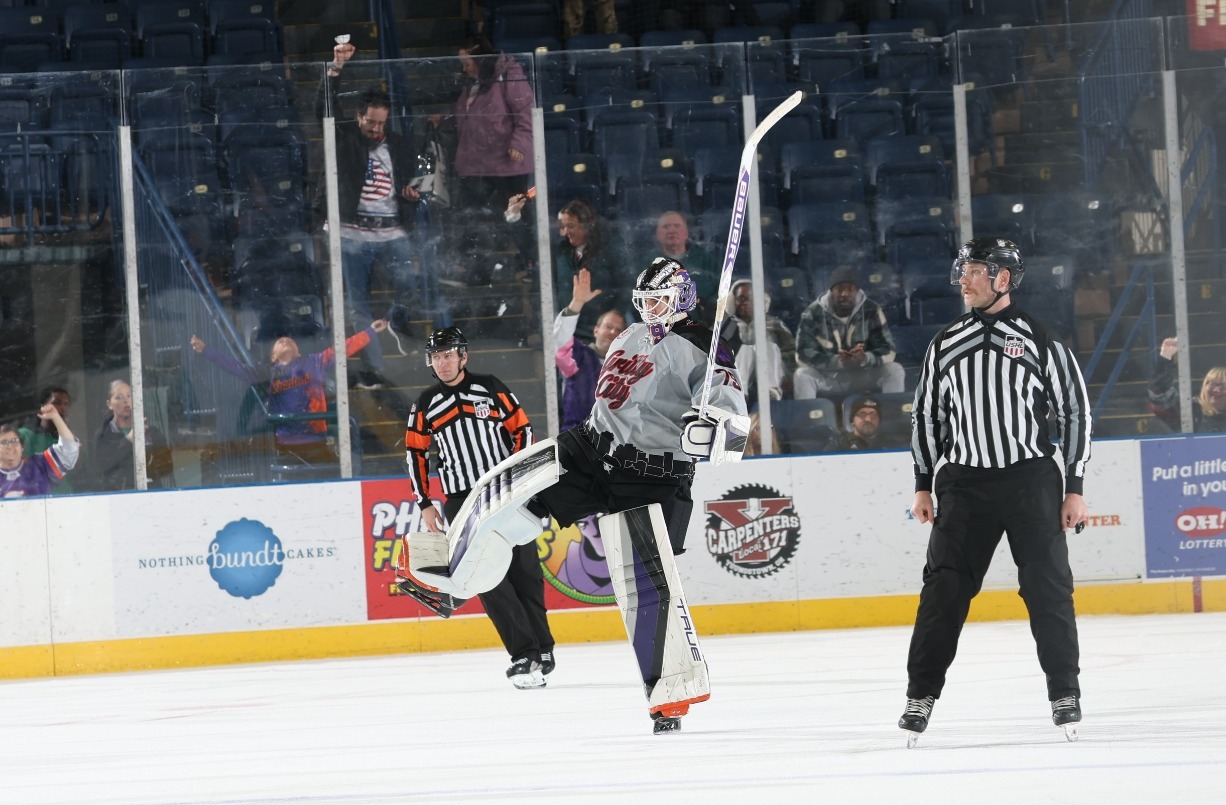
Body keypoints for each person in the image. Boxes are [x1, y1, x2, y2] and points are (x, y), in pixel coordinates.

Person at [531, 257, 749, 732]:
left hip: (653, 475)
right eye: (645, 300)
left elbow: (734, 428)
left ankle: (670, 693)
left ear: (681, 298)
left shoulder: (705, 345)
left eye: (659, 301)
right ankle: (454, 566)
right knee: (524, 491)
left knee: (645, 587)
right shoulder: (629, 335)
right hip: (593, 451)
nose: (650, 309)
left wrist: (711, 428)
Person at [899, 238, 1092, 746]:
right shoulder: (945, 342)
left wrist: (1074, 486)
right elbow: (927, 416)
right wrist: (923, 482)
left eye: (974, 270)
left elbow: (1074, 411)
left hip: (1031, 480)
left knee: (1048, 589)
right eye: (962, 269)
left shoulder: (1041, 339)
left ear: (1003, 278)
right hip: (964, 485)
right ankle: (920, 696)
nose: (963, 279)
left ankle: (1064, 692)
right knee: (943, 592)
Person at [405, 326, 555, 690]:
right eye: (436, 357)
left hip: (505, 494)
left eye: (448, 355)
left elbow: (522, 430)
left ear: (463, 356)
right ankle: (523, 653)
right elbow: (415, 453)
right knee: (488, 580)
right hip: (462, 502)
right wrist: (424, 501)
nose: (442, 363)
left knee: (525, 572)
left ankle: (543, 647)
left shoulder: (490, 387)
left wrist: (522, 482)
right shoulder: (425, 402)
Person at [314, 40, 436, 386]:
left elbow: (413, 184)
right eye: (370, 122)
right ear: (358, 117)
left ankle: (396, 322)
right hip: (351, 232)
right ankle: (374, 369)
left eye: (381, 123)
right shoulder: (344, 136)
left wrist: (412, 194)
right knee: (358, 305)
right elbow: (322, 107)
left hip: (391, 230)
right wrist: (336, 67)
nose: (376, 129)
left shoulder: (398, 144)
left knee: (410, 283)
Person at [191, 322, 386, 472]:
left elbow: (344, 348)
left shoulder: (315, 362)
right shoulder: (267, 373)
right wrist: (206, 350)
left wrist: (369, 332)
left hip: (316, 440)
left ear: (298, 352)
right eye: (280, 341)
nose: (285, 340)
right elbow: (236, 367)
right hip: (286, 445)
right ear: (273, 357)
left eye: (290, 340)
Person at [509, 197, 631, 337]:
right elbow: (530, 248)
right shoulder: (560, 249)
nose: (566, 231)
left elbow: (627, 287)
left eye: (571, 226)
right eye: (563, 226)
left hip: (599, 331)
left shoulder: (611, 249)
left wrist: (613, 319)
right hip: (567, 329)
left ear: (586, 225)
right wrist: (514, 216)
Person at [794, 265, 905, 399]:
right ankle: (808, 413)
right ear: (831, 291)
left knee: (894, 370)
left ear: (857, 291)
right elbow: (802, 354)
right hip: (829, 377)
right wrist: (837, 362)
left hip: (864, 375)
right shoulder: (812, 312)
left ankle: (893, 411)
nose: (844, 294)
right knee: (802, 374)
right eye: (839, 289)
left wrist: (865, 358)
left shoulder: (871, 309)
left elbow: (888, 350)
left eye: (850, 289)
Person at [554, 268, 627, 431]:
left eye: (618, 330)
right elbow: (560, 342)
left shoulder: (628, 368)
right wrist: (577, 303)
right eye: (608, 326)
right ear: (596, 330)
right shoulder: (578, 357)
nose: (613, 332)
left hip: (617, 441)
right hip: (578, 438)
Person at [719, 278, 797, 401]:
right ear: (733, 301)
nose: (745, 303)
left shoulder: (774, 324)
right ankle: (739, 392)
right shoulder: (725, 325)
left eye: (750, 298)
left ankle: (771, 390)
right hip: (733, 372)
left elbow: (792, 353)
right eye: (741, 298)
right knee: (746, 351)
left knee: (766, 346)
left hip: (777, 372)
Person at [88, 380, 174, 492]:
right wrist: (128, 441)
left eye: (129, 396)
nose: (126, 401)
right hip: (118, 496)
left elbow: (167, 467)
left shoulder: (152, 432)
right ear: (109, 404)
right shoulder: (103, 435)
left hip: (150, 495)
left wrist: (150, 465)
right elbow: (102, 468)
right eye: (119, 397)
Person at [644, 211, 721, 312]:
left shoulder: (707, 261)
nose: (672, 231)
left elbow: (722, 293)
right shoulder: (646, 264)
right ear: (657, 234)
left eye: (677, 226)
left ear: (686, 233)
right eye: (666, 227)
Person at [1147, 337, 1226, 433]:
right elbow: (1160, 395)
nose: (1216, 390)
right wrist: (1166, 357)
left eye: (1223, 385)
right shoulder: (1190, 411)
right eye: (1211, 384)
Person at [1, 407, 78, 498]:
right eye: (4, 442)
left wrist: (56, 417)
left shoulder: (39, 465)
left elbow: (69, 450)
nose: (10, 446)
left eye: (14, 441)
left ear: (22, 446)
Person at [18, 386, 76, 494]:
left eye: (66, 404)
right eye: (57, 403)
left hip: (66, 498)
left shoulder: (67, 441)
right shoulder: (24, 436)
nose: (63, 408)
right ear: (43, 406)